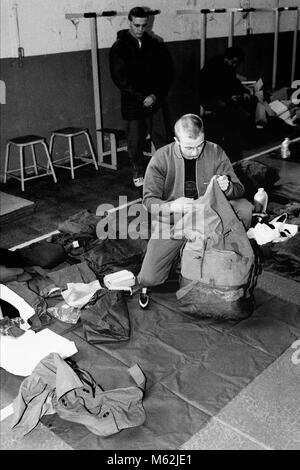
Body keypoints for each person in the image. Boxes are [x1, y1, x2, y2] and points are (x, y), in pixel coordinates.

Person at [137, 114, 253, 307]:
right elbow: (148, 201)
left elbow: (240, 190)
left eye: (200, 145)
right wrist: (171, 206)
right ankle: (183, 253)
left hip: (209, 217)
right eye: (189, 147)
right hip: (174, 219)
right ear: (176, 141)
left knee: (245, 208)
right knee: (149, 279)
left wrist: (228, 187)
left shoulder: (215, 151)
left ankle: (220, 249)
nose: (196, 152)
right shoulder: (161, 158)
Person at [109, 6, 173, 188]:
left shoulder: (154, 43)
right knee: (135, 141)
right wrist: (141, 96)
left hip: (154, 100)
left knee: (161, 137)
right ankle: (138, 169)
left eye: (144, 25)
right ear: (129, 22)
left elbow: (166, 72)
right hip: (133, 102)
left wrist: (155, 95)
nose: (140, 29)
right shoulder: (120, 46)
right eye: (136, 25)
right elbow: (119, 77)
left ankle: (165, 171)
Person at [199, 47, 258, 158]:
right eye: (234, 62)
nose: (235, 65)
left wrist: (243, 91)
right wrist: (229, 98)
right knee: (229, 110)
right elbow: (213, 89)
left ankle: (238, 139)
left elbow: (234, 82)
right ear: (227, 58)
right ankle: (228, 141)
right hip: (209, 97)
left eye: (237, 63)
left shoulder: (228, 67)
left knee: (246, 103)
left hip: (222, 97)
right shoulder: (213, 67)